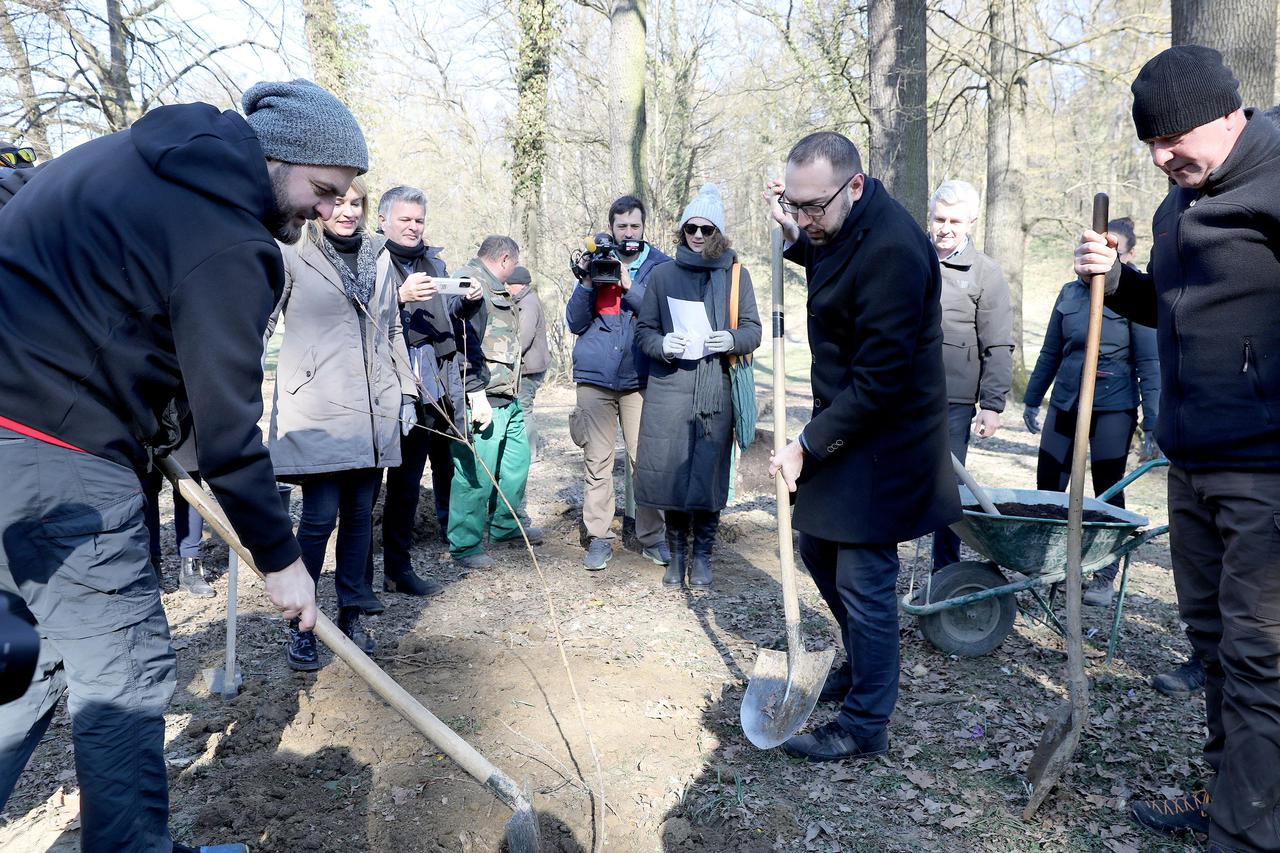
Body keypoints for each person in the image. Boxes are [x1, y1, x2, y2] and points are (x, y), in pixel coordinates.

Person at [0, 78, 349, 852]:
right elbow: (229, 430)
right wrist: (282, 558)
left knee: (29, 651)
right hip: (60, 455)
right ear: (275, 158)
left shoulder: (126, 158)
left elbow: (140, 341)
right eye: (323, 189)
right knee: (122, 673)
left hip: (16, 444)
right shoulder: (229, 237)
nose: (328, 211)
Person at [1073, 46, 1280, 852]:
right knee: (1215, 649)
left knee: (1263, 659)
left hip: (1266, 471)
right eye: (1150, 145)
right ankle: (1230, 798)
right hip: (1191, 465)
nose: (1162, 158)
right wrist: (1118, 279)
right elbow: (1174, 306)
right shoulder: (1175, 201)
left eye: (1175, 139)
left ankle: (1247, 836)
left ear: (1231, 112)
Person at [766, 132, 959, 762]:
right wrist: (797, 237)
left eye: (813, 207)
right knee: (814, 542)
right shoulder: (842, 223)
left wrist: (804, 445)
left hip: (887, 436)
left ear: (854, 184)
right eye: (795, 205)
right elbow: (832, 256)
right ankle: (865, 663)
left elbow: (881, 380)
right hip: (852, 420)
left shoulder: (895, 249)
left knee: (863, 574)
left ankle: (865, 722)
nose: (804, 218)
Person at [267, 175, 417, 666]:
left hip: (373, 410)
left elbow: (391, 327)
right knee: (318, 519)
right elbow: (262, 320)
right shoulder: (293, 251)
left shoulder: (380, 257)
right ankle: (303, 626)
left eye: (357, 203)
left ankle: (352, 614)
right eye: (340, 202)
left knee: (358, 520)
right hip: (318, 410)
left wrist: (406, 392)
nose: (348, 211)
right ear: (323, 205)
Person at [1024, 216, 1160, 607]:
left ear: (1125, 254)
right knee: (1048, 487)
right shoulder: (1069, 295)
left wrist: (1152, 423)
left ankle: (1102, 574)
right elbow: (1050, 351)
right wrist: (1033, 399)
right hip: (1067, 402)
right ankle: (1045, 567)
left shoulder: (1134, 297)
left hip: (1112, 408)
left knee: (1106, 491)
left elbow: (1150, 365)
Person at [634, 183, 761, 589]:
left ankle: (702, 555)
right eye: (692, 228)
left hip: (716, 388)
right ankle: (675, 554)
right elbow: (644, 331)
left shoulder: (736, 275)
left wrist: (732, 339)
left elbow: (754, 330)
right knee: (671, 472)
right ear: (682, 230)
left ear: (719, 232)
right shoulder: (663, 275)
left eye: (707, 229)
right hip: (671, 385)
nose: (699, 236)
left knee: (707, 471)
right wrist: (662, 344)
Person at [371, 185, 478, 599]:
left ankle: (398, 569)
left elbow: (446, 315)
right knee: (366, 490)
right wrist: (397, 296)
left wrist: (467, 301)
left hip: (428, 387)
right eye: (405, 220)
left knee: (407, 484)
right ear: (383, 220)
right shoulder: (368, 258)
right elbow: (351, 313)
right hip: (380, 386)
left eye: (419, 220)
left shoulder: (434, 261)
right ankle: (357, 578)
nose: (413, 227)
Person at [566, 195, 672, 571]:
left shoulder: (660, 266)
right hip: (595, 378)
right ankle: (599, 537)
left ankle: (652, 537)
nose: (628, 233)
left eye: (635, 226)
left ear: (645, 228)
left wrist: (631, 288)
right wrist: (585, 282)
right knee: (597, 461)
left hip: (640, 377)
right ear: (611, 227)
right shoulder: (597, 262)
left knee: (646, 460)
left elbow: (666, 317)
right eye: (622, 226)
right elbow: (575, 323)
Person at [926, 179, 1013, 571]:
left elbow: (997, 343)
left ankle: (945, 568)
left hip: (954, 398)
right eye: (939, 218)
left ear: (971, 222)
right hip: (902, 390)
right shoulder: (913, 257)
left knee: (947, 483)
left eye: (955, 221)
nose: (945, 227)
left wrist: (992, 405)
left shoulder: (986, 273)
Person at [449, 236, 544, 569]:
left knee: (517, 462)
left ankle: (505, 525)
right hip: (482, 395)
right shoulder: (470, 282)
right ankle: (465, 544)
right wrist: (474, 394)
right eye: (514, 264)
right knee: (475, 472)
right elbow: (461, 341)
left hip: (509, 393)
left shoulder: (495, 285)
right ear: (506, 259)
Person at [143, 405, 215, 598]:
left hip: (181, 404)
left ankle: (191, 566)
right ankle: (151, 567)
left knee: (189, 483)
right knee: (146, 485)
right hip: (142, 405)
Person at [510, 265, 549, 464]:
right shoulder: (527, 299)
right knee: (524, 408)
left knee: (523, 409)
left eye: (509, 284)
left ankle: (530, 454)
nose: (506, 287)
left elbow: (523, 338)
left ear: (519, 285)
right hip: (532, 365)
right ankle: (530, 451)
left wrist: (508, 356)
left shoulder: (527, 303)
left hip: (529, 367)